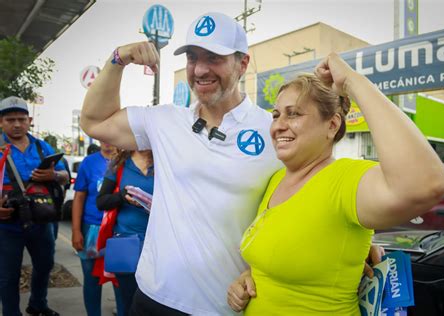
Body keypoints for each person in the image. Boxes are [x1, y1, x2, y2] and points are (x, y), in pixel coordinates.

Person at [80, 12, 383, 315]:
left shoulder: (275, 130)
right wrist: (118, 59)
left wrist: (352, 245)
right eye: (192, 58)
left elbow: (316, 190)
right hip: (152, 298)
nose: (199, 69)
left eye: (213, 58)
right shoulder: (164, 120)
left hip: (225, 307)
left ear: (243, 63)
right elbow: (94, 121)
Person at [227, 56, 444, 314]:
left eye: (294, 114)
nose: (278, 125)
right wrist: (248, 277)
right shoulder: (276, 179)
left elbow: (426, 183)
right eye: (276, 115)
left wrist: (352, 82)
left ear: (332, 125)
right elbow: (286, 257)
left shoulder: (345, 179)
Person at [0, 96, 69, 316]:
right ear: (1, 122)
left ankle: (38, 304)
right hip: (7, 225)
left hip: (41, 221)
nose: (17, 124)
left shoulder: (42, 147)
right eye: (10, 119)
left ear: (29, 120)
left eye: (21, 119)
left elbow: (66, 176)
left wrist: (54, 174)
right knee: (8, 275)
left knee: (45, 265)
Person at [96, 149, 154, 315]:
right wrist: (122, 196)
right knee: (128, 301)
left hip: (157, 242)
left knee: (153, 301)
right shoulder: (119, 164)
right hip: (125, 241)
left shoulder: (164, 159)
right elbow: (101, 202)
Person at [71, 142, 124, 316]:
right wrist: (76, 230)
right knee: (92, 280)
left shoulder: (128, 161)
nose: (107, 140)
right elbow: (79, 197)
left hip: (119, 231)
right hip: (92, 230)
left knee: (121, 280)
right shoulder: (89, 162)